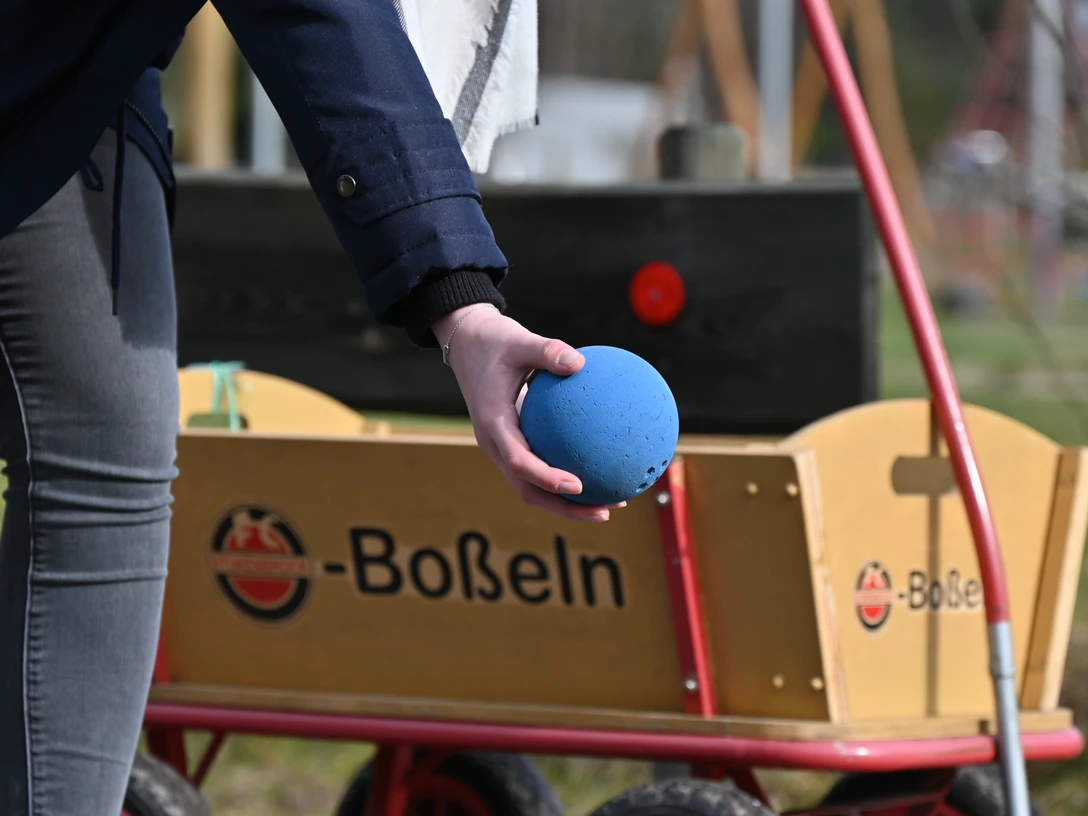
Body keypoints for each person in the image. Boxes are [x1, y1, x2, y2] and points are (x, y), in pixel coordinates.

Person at [0, 2, 616, 813]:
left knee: (102, 471)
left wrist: (459, 299)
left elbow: (316, 17)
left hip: (65, 90)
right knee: (98, 484)